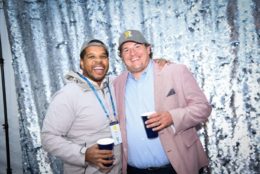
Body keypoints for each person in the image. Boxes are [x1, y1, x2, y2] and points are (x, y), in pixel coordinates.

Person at [113, 30, 212, 174]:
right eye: (126, 50)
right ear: (121, 56)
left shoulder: (175, 71)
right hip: (134, 170)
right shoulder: (116, 84)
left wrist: (172, 117)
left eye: (137, 46)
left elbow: (203, 108)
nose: (132, 53)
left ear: (148, 49)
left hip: (174, 167)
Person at [41, 39, 122, 174]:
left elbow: (136, 72)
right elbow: (48, 138)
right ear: (81, 62)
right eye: (92, 57)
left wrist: (157, 63)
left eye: (103, 56)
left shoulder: (115, 84)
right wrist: (84, 154)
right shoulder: (68, 94)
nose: (99, 62)